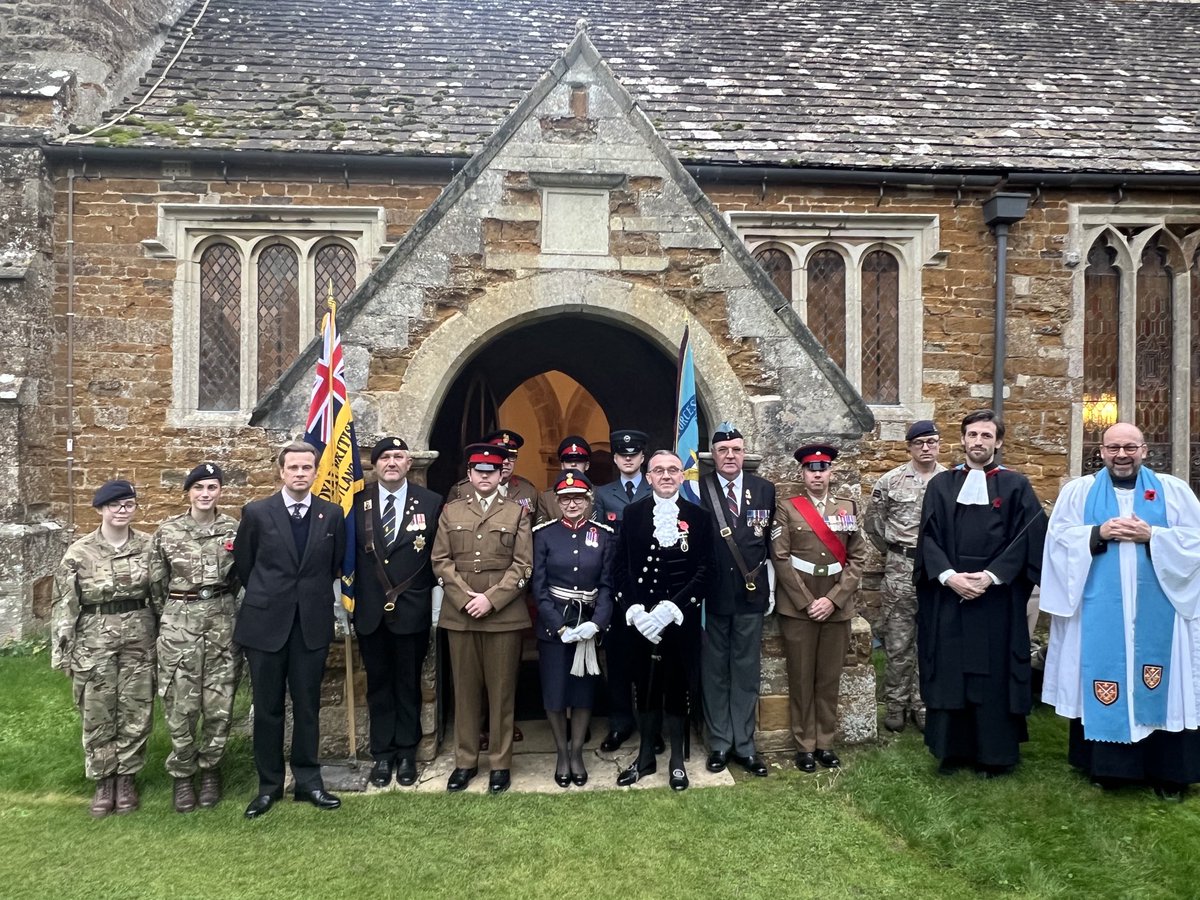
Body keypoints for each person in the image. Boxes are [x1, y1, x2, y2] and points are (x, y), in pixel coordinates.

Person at [1040, 422, 1200, 799]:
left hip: (1161, 612)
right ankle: (1110, 769)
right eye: (1113, 448)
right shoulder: (1079, 492)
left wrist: (1153, 536)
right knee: (1104, 671)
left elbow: (1195, 541)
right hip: (1099, 609)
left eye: (1130, 447)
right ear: (1101, 451)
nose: (1122, 455)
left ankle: (1169, 773)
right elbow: (1058, 541)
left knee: (1164, 685)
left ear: (1144, 450)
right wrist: (1097, 533)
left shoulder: (1173, 490)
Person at [914, 410, 1045, 777]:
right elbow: (928, 538)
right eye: (972, 434)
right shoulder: (941, 485)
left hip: (996, 602)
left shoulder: (1016, 486)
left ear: (998, 442)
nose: (978, 441)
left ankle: (994, 755)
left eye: (986, 435)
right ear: (963, 439)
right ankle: (951, 752)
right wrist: (948, 576)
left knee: (994, 677)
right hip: (951, 597)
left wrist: (991, 576)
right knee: (951, 670)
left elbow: (1029, 539)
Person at [234, 440, 347, 819]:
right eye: (293, 467)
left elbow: (332, 565)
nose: (300, 473)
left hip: (310, 625)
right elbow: (246, 565)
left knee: (308, 706)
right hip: (266, 624)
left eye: (306, 467)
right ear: (281, 472)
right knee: (267, 709)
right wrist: (273, 597)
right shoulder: (256, 512)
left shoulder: (331, 514)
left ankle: (308, 782)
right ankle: (268, 786)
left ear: (315, 471)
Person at [51, 479, 166, 817]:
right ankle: (104, 779)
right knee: (97, 709)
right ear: (101, 508)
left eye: (128, 504)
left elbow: (160, 594)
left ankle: (126, 778)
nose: (122, 511)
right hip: (94, 638)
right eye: (115, 505)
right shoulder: (79, 552)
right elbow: (65, 604)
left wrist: (166, 637)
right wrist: (63, 650)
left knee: (136, 707)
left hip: (139, 636)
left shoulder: (149, 546)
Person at [431, 442, 534, 794]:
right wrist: (465, 599)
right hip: (460, 615)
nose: (485, 477)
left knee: (502, 691)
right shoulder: (452, 511)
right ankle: (465, 761)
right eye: (479, 471)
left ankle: (500, 763)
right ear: (470, 474)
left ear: (500, 474)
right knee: (465, 691)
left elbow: (523, 566)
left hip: (503, 616)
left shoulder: (517, 512)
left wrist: (491, 600)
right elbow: (440, 561)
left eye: (492, 471)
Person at [613, 450, 712, 791]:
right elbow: (621, 567)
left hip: (680, 619)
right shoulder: (632, 513)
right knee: (644, 687)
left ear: (682, 476)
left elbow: (705, 570)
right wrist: (635, 611)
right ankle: (645, 757)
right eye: (659, 470)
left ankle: (677, 761)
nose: (666, 475)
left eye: (673, 470)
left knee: (677, 686)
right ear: (649, 477)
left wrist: (672, 609)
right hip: (642, 622)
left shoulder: (699, 517)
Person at [353, 437, 442, 788]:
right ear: (375, 465)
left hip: (411, 609)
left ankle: (406, 752)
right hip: (370, 611)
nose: (391, 462)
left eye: (398, 456)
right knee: (377, 685)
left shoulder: (431, 502)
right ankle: (382, 754)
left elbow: (437, 557)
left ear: (409, 463)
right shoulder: (356, 502)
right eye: (385, 457)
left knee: (408, 683)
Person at [771, 445, 866, 773]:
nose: (817, 475)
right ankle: (804, 746)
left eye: (822, 469)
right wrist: (808, 601)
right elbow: (780, 556)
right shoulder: (787, 508)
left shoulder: (847, 507)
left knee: (829, 677)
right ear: (802, 474)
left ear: (831, 472)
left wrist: (834, 599)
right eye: (811, 469)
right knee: (800, 677)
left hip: (836, 606)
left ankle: (825, 742)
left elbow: (857, 557)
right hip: (800, 606)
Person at [153, 463, 241, 813]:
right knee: (181, 704)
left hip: (222, 622)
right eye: (199, 487)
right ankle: (183, 773)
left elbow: (239, 575)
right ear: (188, 492)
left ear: (220, 491)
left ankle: (211, 770)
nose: (206, 494)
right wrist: (173, 615)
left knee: (220, 702)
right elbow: (156, 584)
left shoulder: (232, 528)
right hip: (180, 625)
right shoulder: (168, 531)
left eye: (212, 487)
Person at [697, 423, 775, 777]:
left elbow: (770, 545)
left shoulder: (764, 490)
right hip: (712, 595)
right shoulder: (698, 488)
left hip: (750, 593)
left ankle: (744, 744)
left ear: (745, 454)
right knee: (714, 671)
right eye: (723, 450)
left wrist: (772, 587)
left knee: (746, 670)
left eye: (736, 450)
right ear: (713, 456)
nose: (730, 456)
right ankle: (719, 743)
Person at [531, 470, 615, 787]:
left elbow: (607, 585)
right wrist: (558, 627)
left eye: (578, 498)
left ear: (588, 500)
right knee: (555, 692)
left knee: (583, 692)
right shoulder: (545, 534)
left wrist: (597, 623)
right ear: (557, 501)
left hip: (588, 623)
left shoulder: (603, 534)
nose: (572, 504)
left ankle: (577, 752)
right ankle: (561, 753)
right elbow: (538, 587)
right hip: (554, 625)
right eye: (565, 499)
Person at [863, 420, 946, 733]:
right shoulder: (890, 481)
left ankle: (922, 704)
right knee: (898, 641)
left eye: (931, 442)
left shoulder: (951, 481)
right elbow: (873, 524)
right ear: (909, 447)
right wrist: (897, 550)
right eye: (919, 443)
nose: (926, 448)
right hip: (901, 568)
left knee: (930, 641)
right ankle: (895, 704)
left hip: (938, 572)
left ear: (939, 445)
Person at [591, 428, 652, 752]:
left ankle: (649, 724)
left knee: (649, 660)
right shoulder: (602, 494)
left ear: (642, 457)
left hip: (649, 587)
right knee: (616, 660)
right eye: (622, 455)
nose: (628, 460)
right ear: (615, 459)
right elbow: (600, 541)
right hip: (616, 589)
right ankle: (619, 723)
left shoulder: (656, 488)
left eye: (634, 455)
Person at [535, 436, 592, 522]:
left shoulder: (598, 495)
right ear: (562, 465)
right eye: (568, 461)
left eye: (579, 460)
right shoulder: (547, 498)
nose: (573, 464)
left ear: (587, 465)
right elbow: (542, 528)